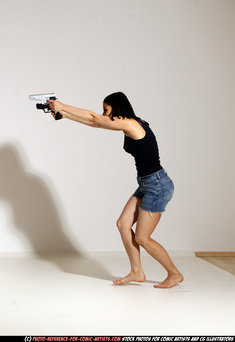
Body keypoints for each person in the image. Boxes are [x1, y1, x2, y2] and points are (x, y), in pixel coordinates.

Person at [48, 92, 183, 289]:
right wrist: (66, 115)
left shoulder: (130, 124)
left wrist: (63, 106)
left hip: (157, 185)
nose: (103, 114)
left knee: (142, 237)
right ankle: (137, 271)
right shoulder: (132, 122)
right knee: (123, 224)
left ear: (117, 108)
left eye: (106, 110)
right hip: (148, 183)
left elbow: (95, 119)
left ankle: (174, 274)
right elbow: (96, 122)